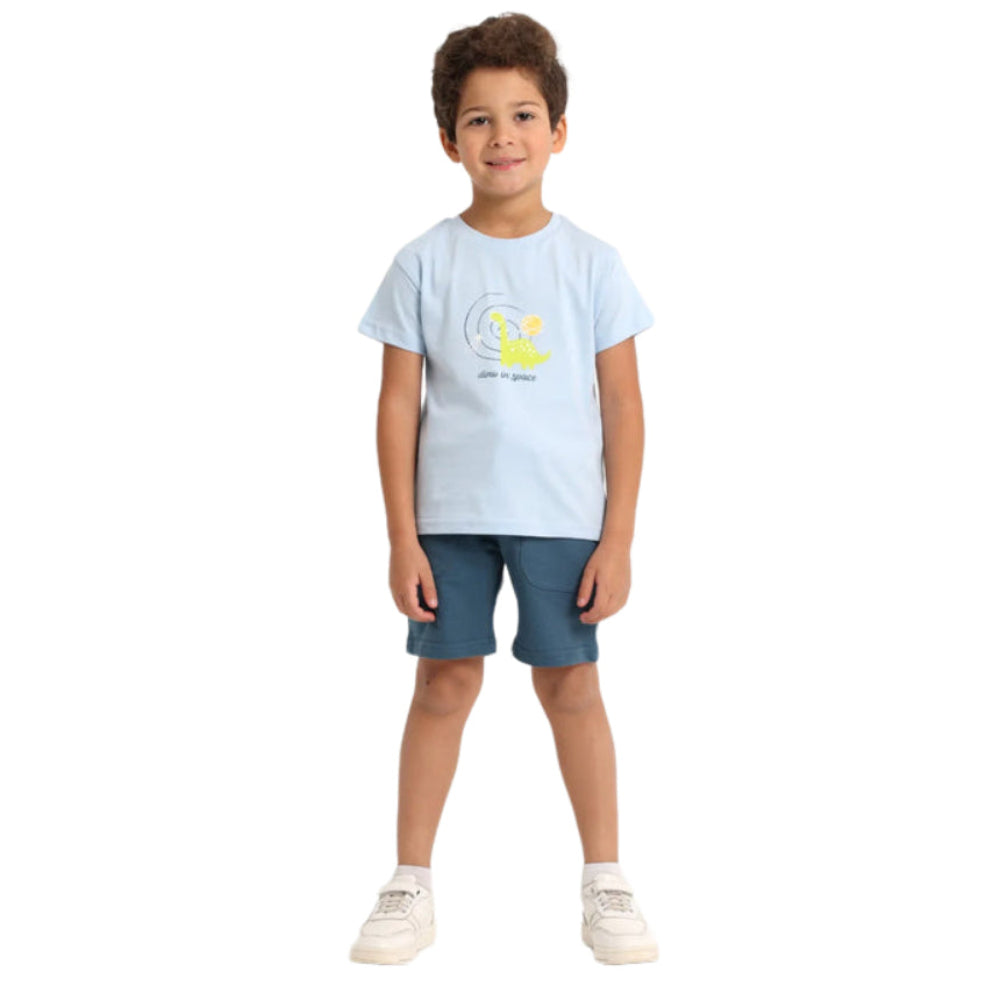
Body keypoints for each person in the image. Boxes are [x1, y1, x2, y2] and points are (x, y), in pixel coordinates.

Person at [350, 13, 658, 965]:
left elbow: (624, 407)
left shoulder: (593, 264)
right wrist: (402, 537)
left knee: (572, 685)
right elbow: (397, 406)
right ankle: (410, 882)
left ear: (558, 131)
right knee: (442, 684)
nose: (503, 137)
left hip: (562, 518)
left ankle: (606, 880)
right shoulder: (423, 262)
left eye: (523, 115)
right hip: (448, 519)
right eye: (478, 120)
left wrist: (618, 539)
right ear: (449, 141)